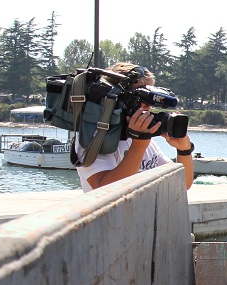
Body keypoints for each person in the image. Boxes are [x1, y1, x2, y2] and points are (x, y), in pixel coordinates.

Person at [73, 63, 195, 193]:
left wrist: (184, 150)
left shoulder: (147, 143)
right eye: (141, 98)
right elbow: (105, 190)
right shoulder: (93, 140)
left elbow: (181, 184)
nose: (147, 107)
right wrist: (138, 145)